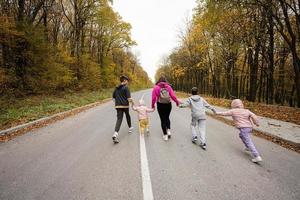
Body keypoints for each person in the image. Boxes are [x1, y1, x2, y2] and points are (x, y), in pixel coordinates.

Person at [151, 76, 180, 141]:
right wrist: (177, 102)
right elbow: (173, 96)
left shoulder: (156, 87)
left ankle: (165, 135)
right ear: (165, 81)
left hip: (160, 105)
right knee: (167, 117)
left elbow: (153, 98)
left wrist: (153, 105)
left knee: (162, 119)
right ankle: (169, 131)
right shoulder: (168, 87)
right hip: (168, 104)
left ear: (158, 81)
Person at [112, 75, 133, 144]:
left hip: (118, 106)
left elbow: (113, 98)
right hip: (125, 106)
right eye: (127, 80)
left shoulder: (116, 88)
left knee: (119, 119)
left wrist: (117, 103)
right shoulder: (126, 87)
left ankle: (115, 134)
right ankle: (130, 128)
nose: (127, 82)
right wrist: (133, 104)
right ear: (124, 81)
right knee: (127, 115)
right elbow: (129, 98)